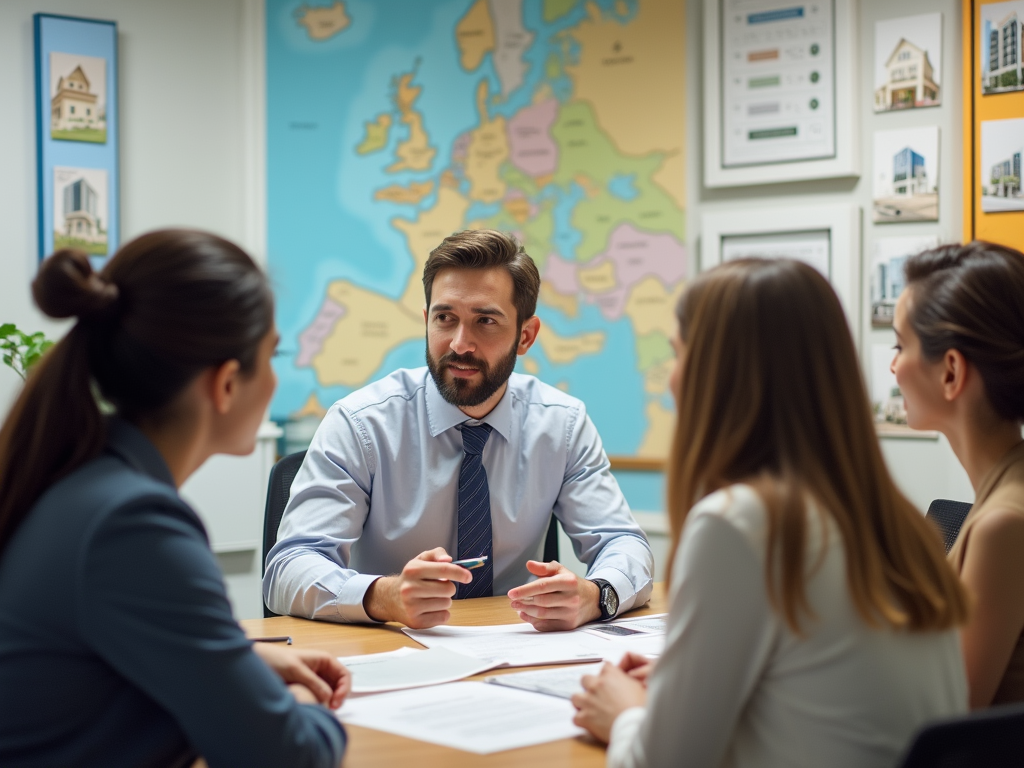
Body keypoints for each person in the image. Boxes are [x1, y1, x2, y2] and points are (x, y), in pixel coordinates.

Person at [572, 259, 970, 768]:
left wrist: (626, 714)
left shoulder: (737, 525)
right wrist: (687, 685)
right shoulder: (898, 523)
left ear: (718, 374)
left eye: (677, 353)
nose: (670, 380)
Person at [0, 232, 348, 768]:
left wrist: (235, 668)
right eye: (272, 354)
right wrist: (290, 702)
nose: (277, 377)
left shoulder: (76, 478)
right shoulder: (132, 525)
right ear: (227, 383)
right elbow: (288, 755)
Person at [264, 229, 653, 630]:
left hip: (517, 650)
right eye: (445, 318)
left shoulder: (562, 425)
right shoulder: (361, 424)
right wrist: (384, 596)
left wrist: (596, 595)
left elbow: (623, 544)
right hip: (392, 649)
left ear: (526, 336)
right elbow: (287, 570)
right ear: (426, 321)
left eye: (485, 321)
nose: (460, 344)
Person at [892, 241, 1024, 708]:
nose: (893, 366)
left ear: (951, 372)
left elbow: (946, 713)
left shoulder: (1003, 524)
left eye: (900, 345)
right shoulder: (1001, 492)